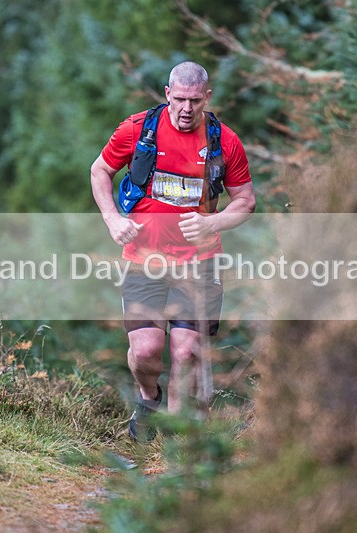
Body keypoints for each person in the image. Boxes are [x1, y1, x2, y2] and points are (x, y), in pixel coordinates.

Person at [90, 61, 255, 440]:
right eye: (179, 99)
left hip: (200, 263)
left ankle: (174, 443)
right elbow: (99, 171)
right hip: (142, 259)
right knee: (147, 351)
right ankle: (149, 398)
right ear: (167, 94)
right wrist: (113, 221)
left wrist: (212, 223)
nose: (185, 108)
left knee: (186, 353)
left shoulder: (223, 141)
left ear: (206, 98)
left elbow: (245, 200)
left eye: (194, 100)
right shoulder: (137, 130)